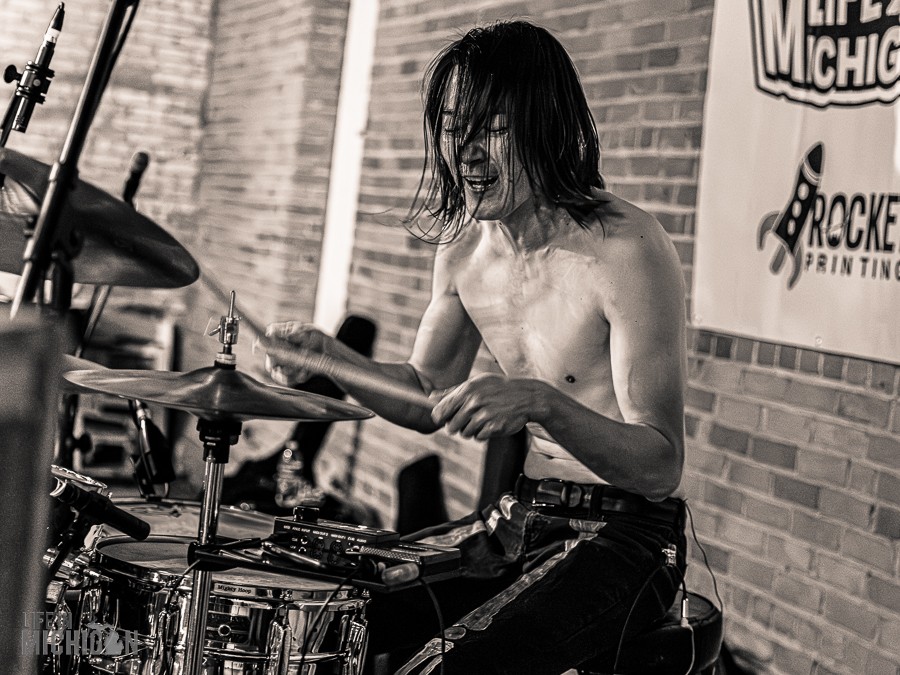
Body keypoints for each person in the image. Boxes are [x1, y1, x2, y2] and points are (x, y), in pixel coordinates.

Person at [265, 20, 687, 675]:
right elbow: (426, 392)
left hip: (625, 534)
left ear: (545, 127)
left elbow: (660, 466)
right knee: (328, 617)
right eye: (453, 128)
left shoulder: (624, 248)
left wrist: (541, 402)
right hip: (521, 516)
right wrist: (328, 357)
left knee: (447, 667)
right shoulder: (465, 251)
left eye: (491, 128)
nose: (466, 153)